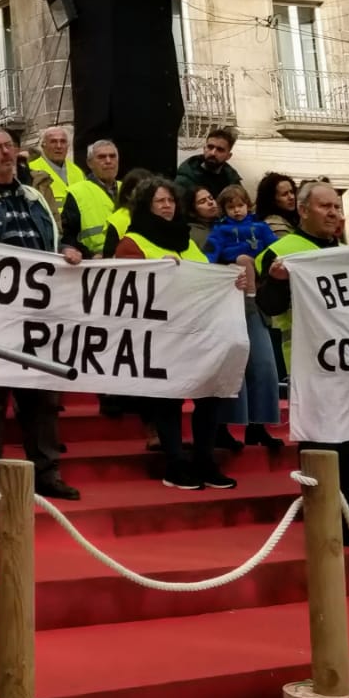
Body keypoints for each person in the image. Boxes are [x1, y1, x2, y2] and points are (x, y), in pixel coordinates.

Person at [257, 180, 349, 553]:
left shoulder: (347, 253)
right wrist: (274, 280)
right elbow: (269, 308)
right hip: (311, 369)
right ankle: (323, 525)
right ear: (303, 210)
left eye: (337, 207)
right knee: (322, 451)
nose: (335, 214)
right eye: (326, 207)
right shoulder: (280, 251)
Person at [0, 128, 83, 501]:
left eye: (9, 146)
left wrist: (67, 249)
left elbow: (52, 240)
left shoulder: (34, 198)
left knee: (42, 398)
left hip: (38, 312)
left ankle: (46, 473)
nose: (6, 152)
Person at [116, 176, 243, 491]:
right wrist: (154, 268)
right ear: (146, 206)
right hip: (162, 335)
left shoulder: (185, 240)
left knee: (209, 397)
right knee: (169, 401)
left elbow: (206, 276)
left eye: (170, 200)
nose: (167, 206)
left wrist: (229, 281)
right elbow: (124, 287)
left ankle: (204, 460)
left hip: (199, 332)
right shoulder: (131, 241)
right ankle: (175, 464)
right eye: (159, 201)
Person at [207, 184, 282, 454]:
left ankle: (258, 426)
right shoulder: (219, 231)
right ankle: (225, 426)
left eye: (240, 205)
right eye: (231, 207)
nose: (237, 211)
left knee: (263, 365)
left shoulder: (261, 228)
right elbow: (210, 257)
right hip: (230, 298)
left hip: (257, 299)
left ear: (248, 205)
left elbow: (275, 251)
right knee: (235, 364)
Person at [61, 138, 122, 259]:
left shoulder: (128, 190)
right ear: (90, 163)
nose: (108, 161)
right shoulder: (77, 192)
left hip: (131, 263)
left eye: (112, 156)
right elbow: (68, 237)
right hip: (96, 266)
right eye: (101, 157)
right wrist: (90, 256)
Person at [175, 126, 243, 203]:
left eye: (220, 150)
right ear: (204, 149)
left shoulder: (232, 180)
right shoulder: (186, 180)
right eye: (210, 147)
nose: (213, 153)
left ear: (228, 156)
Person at [28, 125, 80, 212]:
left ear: (68, 146)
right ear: (43, 146)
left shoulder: (77, 171)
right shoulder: (31, 169)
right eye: (53, 142)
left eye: (63, 142)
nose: (59, 146)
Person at [256, 172, 299, 238]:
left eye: (292, 192)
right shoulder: (275, 227)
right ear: (271, 199)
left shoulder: (292, 218)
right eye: (284, 194)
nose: (291, 197)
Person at [186, 185, 222, 253]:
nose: (210, 202)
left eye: (211, 198)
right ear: (192, 212)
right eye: (202, 202)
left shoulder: (227, 222)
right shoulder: (191, 234)